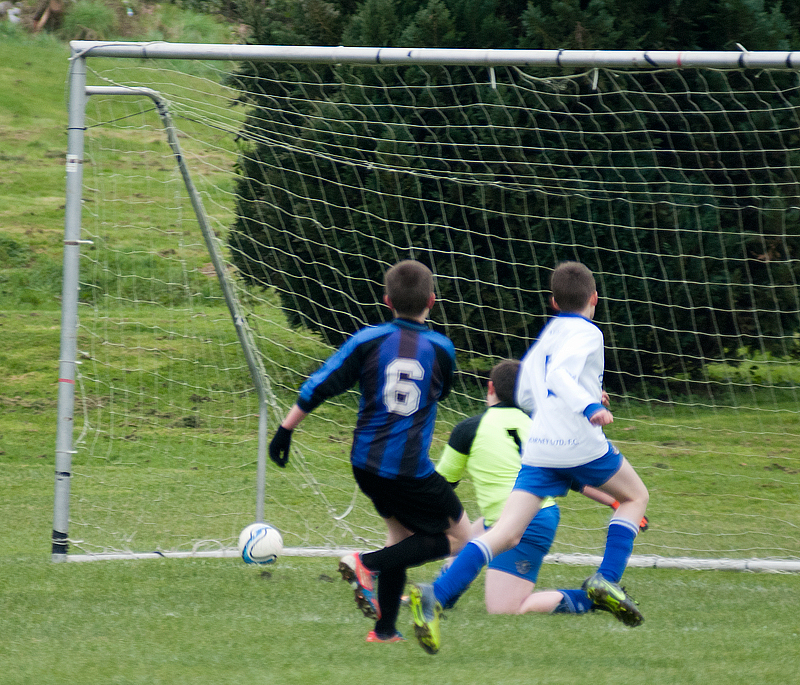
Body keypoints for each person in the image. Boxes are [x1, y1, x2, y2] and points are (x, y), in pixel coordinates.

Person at [409, 261, 649, 654]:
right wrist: (589, 407)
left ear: (553, 302)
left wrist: (584, 394)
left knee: (505, 532)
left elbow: (528, 394)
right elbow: (559, 379)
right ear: (595, 299)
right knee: (635, 497)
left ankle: (436, 594)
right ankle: (606, 579)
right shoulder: (588, 332)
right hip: (578, 442)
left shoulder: (548, 334)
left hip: (541, 445)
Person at [268, 259, 471, 644]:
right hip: (409, 469)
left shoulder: (367, 340)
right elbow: (442, 391)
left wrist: (285, 430)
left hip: (365, 464)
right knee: (462, 539)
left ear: (386, 300)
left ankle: (384, 630)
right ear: (432, 299)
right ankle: (366, 565)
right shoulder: (441, 348)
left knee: (401, 537)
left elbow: (321, 384)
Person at [433, 359, 648, 617]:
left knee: (504, 609)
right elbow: (574, 478)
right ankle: (440, 594)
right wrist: (613, 501)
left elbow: (442, 486)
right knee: (471, 533)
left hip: (523, 521)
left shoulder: (468, 429)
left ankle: (592, 599)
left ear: (490, 388)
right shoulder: (542, 427)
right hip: (538, 514)